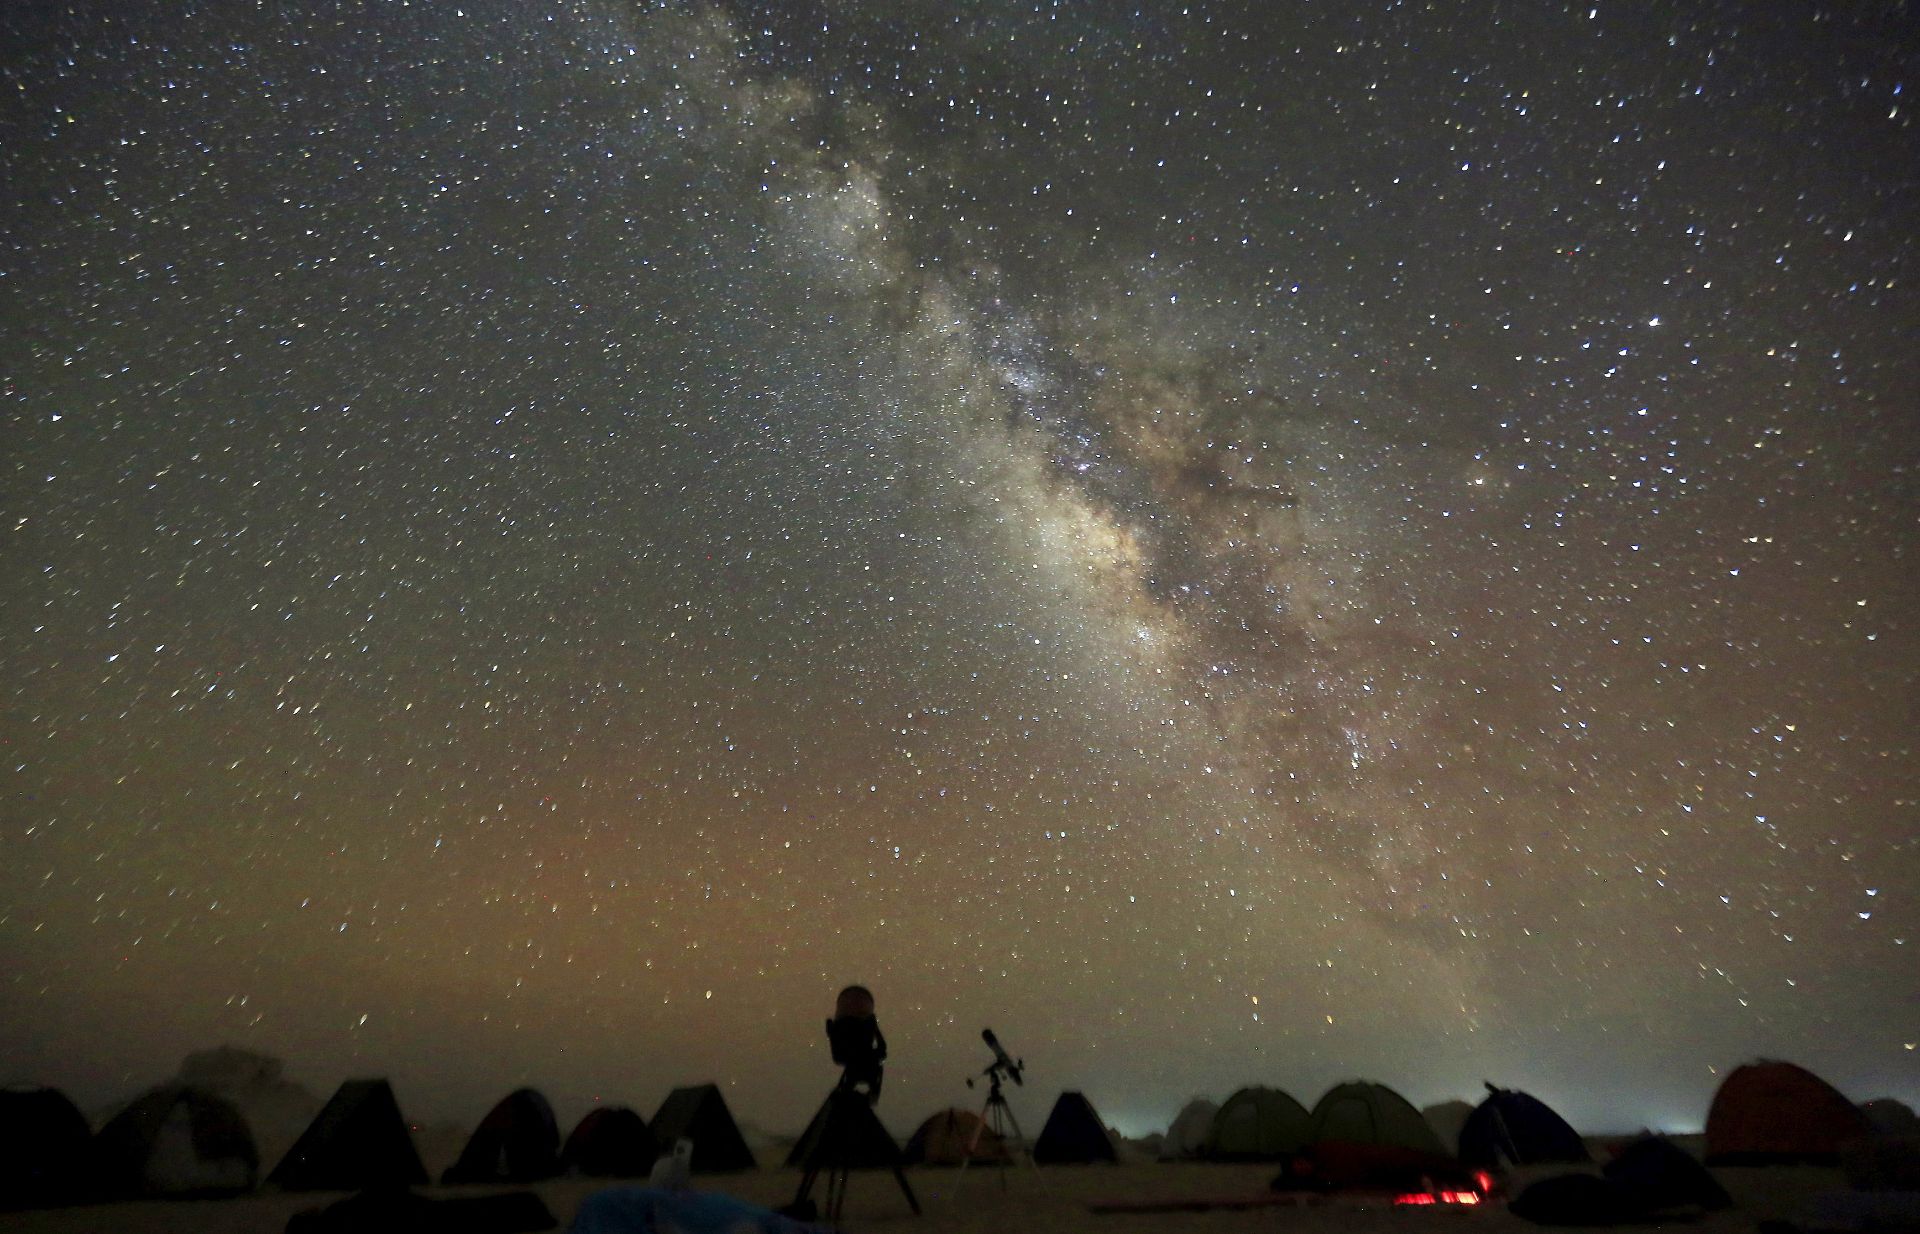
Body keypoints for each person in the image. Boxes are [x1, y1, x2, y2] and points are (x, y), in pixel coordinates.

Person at [825, 985, 886, 1105]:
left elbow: (838, 1057)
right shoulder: (871, 1058)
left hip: (856, 1069)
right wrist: (875, 1029)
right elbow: (882, 1050)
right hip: (861, 1068)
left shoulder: (849, 1052)